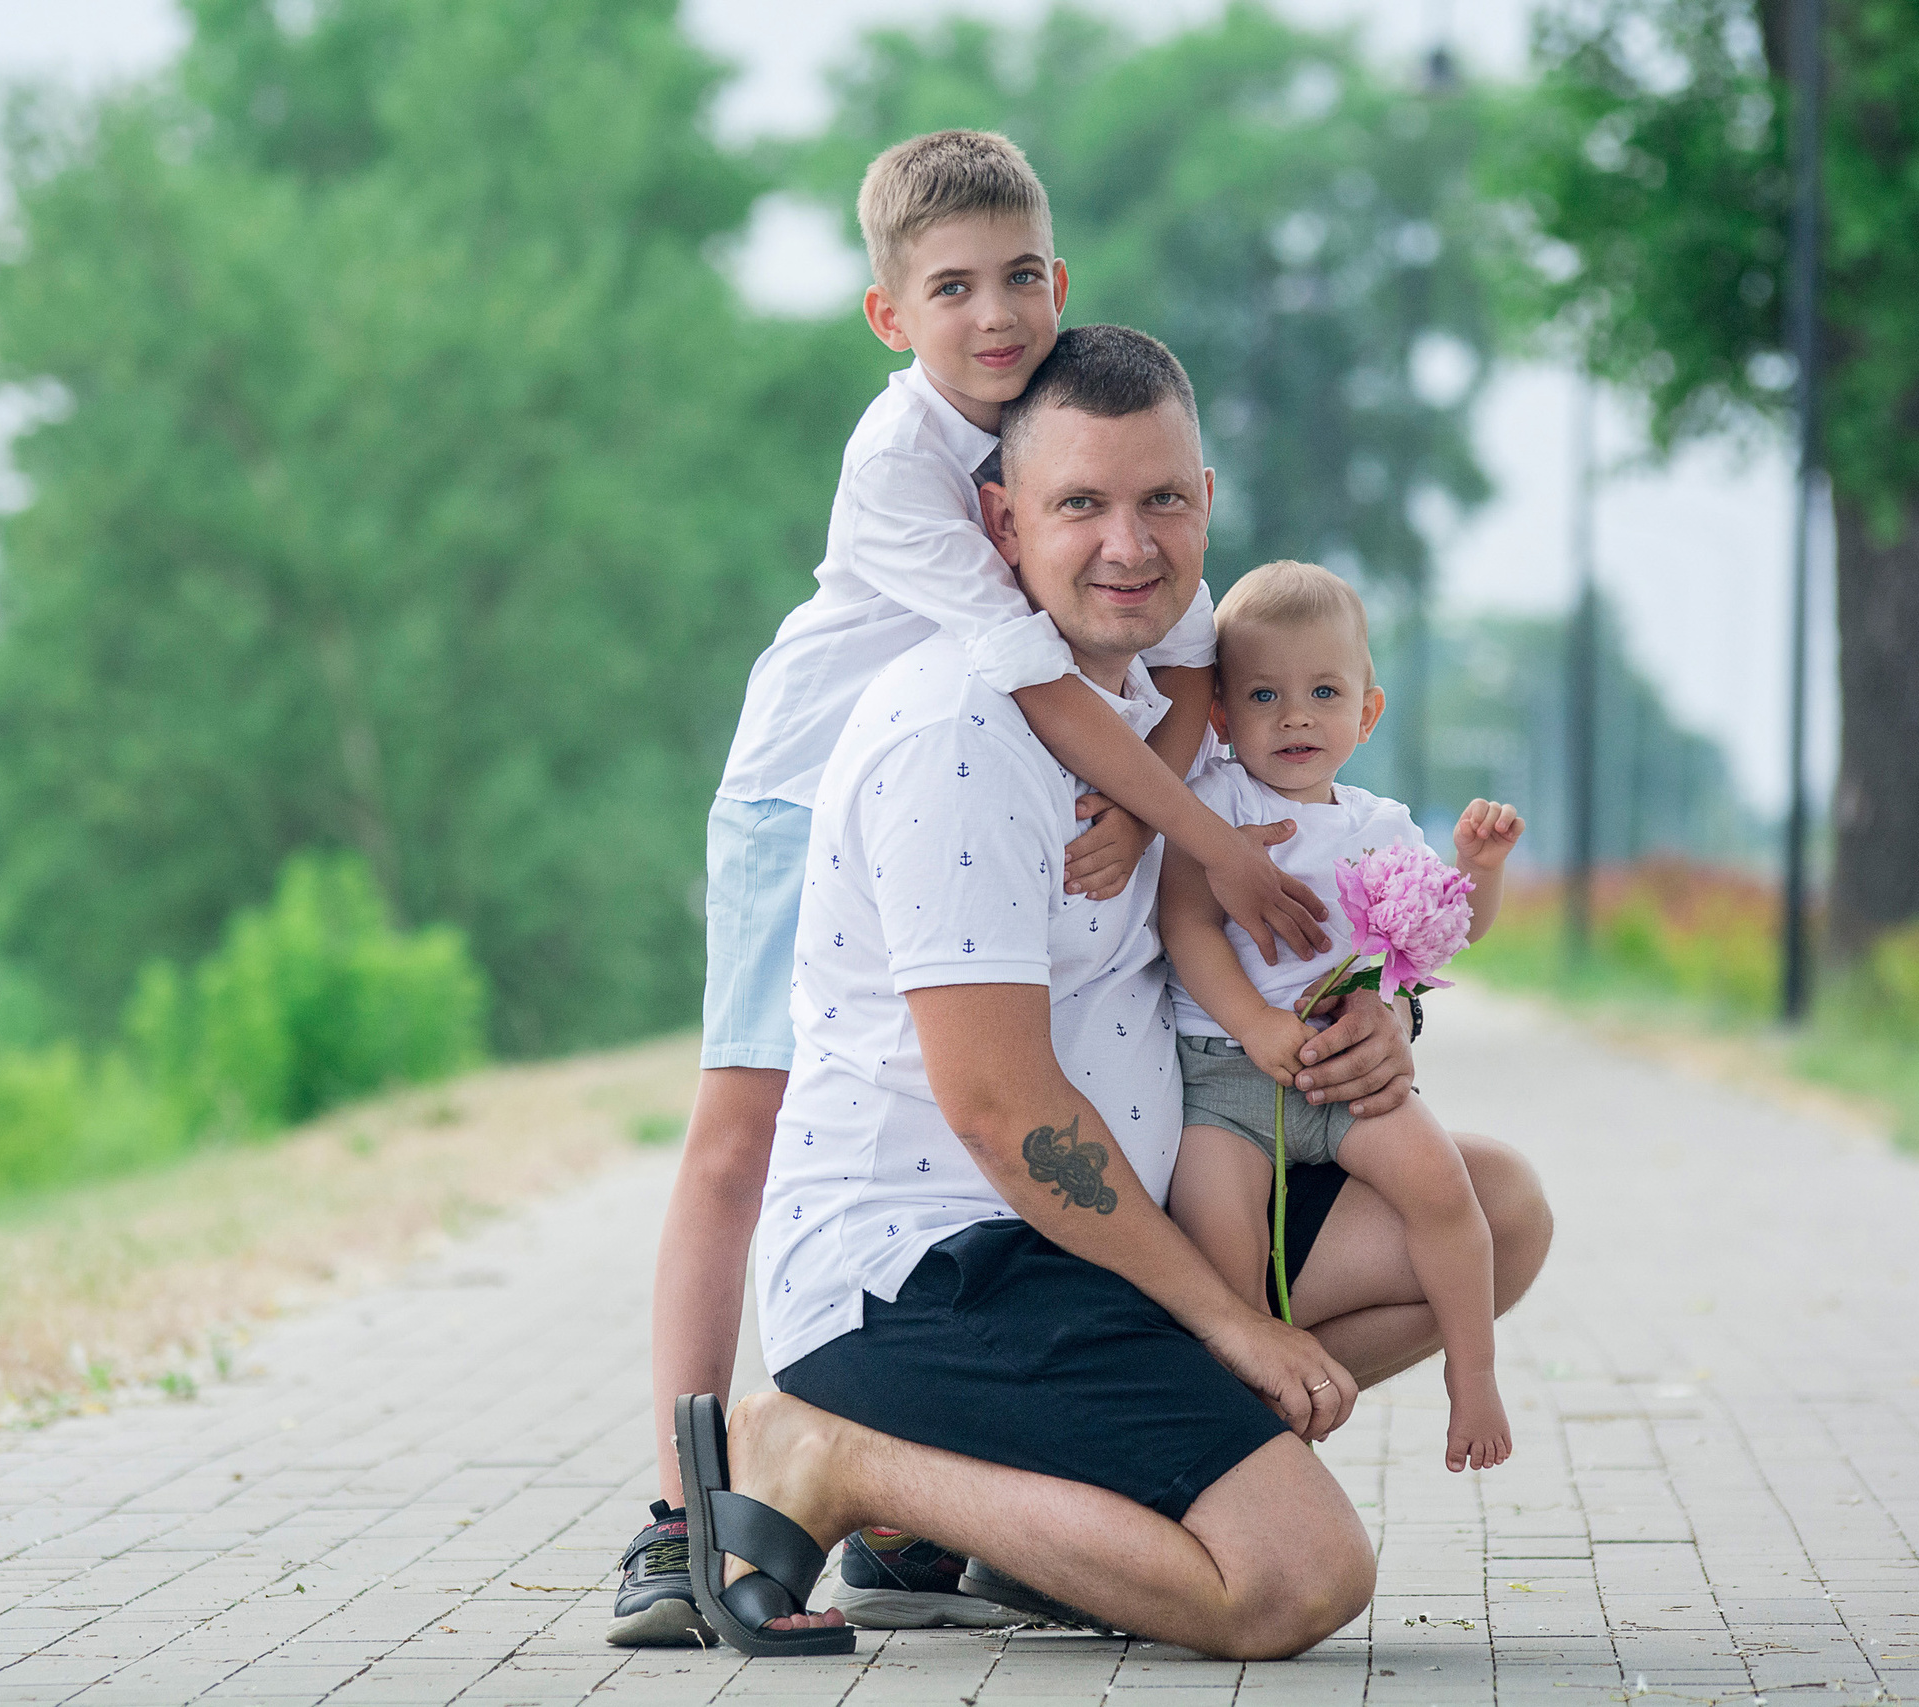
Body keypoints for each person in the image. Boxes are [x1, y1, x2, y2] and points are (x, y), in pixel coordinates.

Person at [669, 326, 1551, 1660]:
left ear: (1207, 504)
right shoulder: (955, 736)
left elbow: (1290, 916)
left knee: (1493, 1210)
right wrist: (1228, 1325)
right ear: (1001, 521)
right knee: (1293, 1578)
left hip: (1109, 1235)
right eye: (1080, 503)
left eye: (1163, 501)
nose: (1129, 544)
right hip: (937, 1266)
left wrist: (1379, 1015)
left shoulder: (1168, 716)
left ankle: (1007, 1526)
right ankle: (835, 1454)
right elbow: (1006, 1112)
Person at [616, 130, 1333, 1646]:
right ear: (891, 315)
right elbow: (1044, 688)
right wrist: (1194, 836)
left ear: (1059, 278)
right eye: (952, 287)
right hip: (811, 784)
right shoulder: (900, 462)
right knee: (742, 1135)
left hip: (985, 776)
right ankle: (689, 1504)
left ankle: (956, 1511)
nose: (993, 313)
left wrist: (1148, 825)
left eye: (1018, 276)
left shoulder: (1078, 420)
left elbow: (1187, 660)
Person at [1157, 559, 1525, 1475]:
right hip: (1226, 1079)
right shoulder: (1212, 808)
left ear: (1366, 713)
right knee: (1224, 1264)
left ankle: (1473, 1376)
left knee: (1446, 1190)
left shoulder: (1380, 825)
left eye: (1324, 692)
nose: (1294, 716)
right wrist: (1254, 1025)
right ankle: (1247, 1426)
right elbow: (1188, 926)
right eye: (1264, 694)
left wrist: (1479, 868)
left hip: (1345, 1077)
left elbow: (1447, 932)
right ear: (1220, 715)